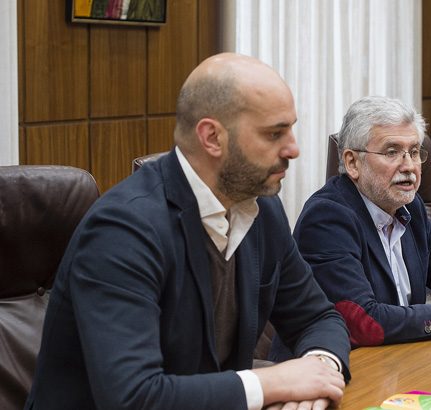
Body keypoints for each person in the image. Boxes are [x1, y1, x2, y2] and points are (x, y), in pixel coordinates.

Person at [25, 53, 350, 410]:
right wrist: (270, 382)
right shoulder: (122, 230)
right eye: (274, 133)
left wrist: (320, 371)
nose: (293, 148)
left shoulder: (262, 209)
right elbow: (134, 399)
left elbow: (318, 317)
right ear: (212, 137)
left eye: (291, 128)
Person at [289, 96, 431, 347]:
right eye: (392, 152)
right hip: (338, 368)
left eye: (415, 152)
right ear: (353, 162)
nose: (409, 166)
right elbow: (363, 323)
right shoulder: (327, 218)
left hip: (401, 358)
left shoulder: (411, 208)